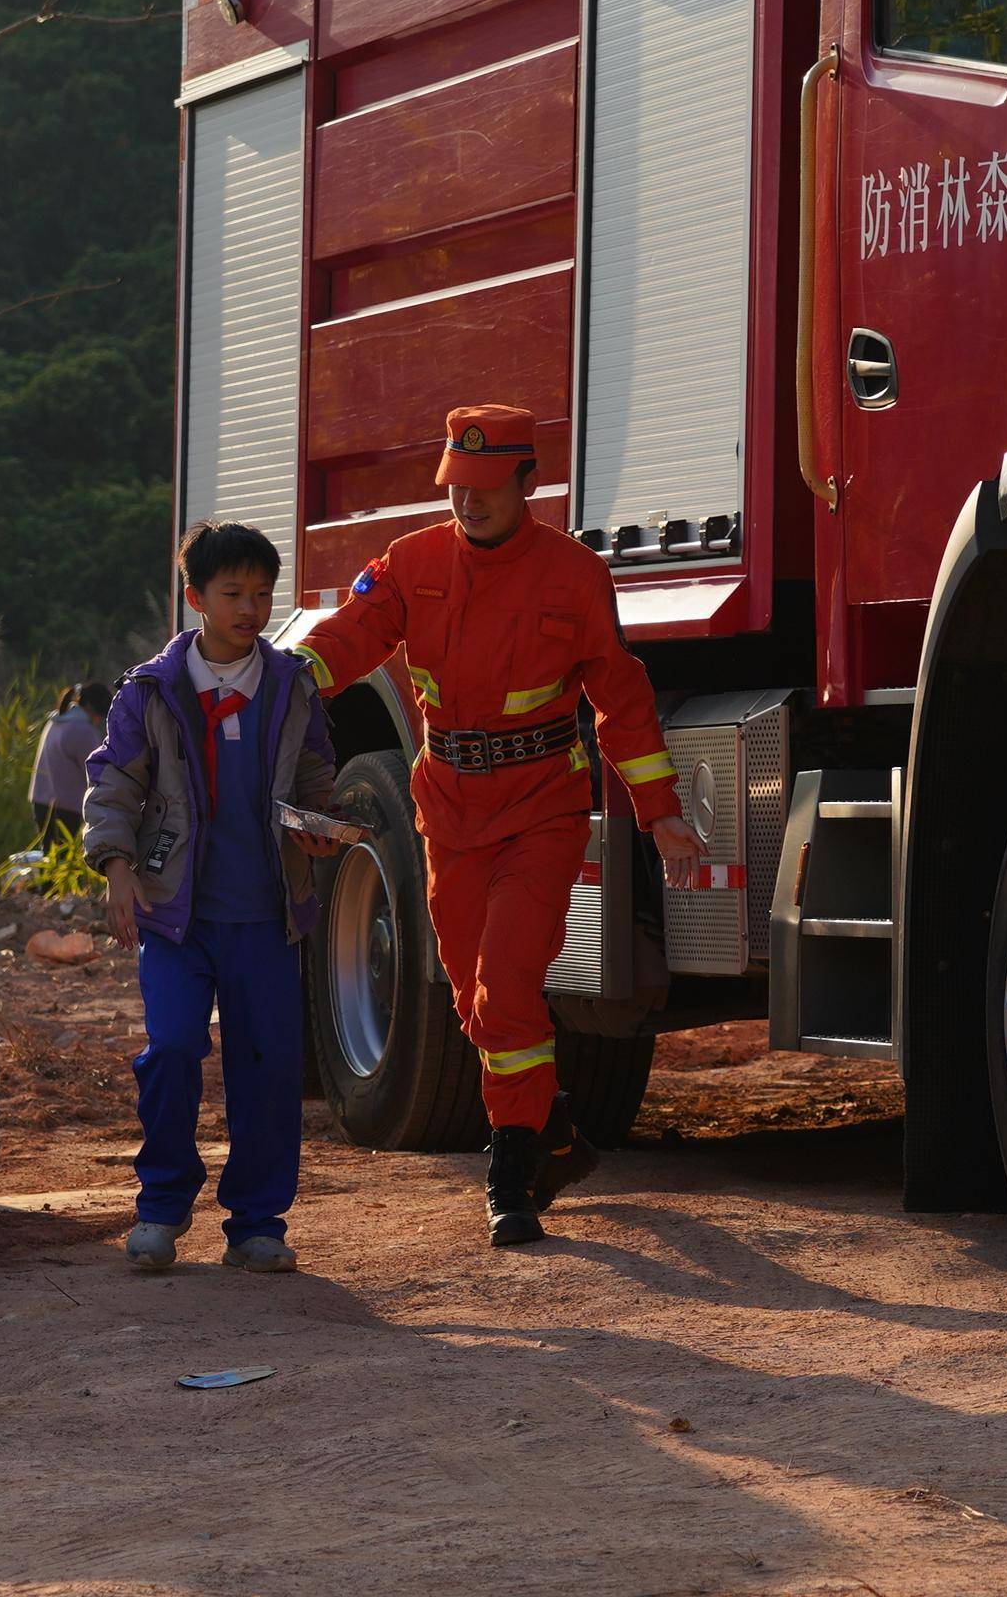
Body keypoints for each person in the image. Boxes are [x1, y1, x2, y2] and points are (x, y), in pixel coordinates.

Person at [296, 403, 708, 1247]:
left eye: (487, 486)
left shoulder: (574, 575)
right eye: (458, 485)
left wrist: (660, 812)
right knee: (473, 998)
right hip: (448, 809)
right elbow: (346, 639)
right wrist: (276, 679)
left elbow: (621, 700)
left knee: (509, 986)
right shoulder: (410, 564)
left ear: (529, 481)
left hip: (541, 810)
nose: (469, 501)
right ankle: (553, 1133)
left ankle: (512, 1171)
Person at [82, 523, 342, 1275]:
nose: (251, 609)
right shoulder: (151, 691)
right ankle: (161, 1209)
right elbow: (114, 783)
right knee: (170, 1050)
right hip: (176, 916)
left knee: (268, 1066)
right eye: (233, 594)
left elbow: (316, 775)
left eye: (263, 594)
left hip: (266, 916)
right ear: (195, 597)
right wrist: (116, 866)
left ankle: (257, 1223)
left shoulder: (291, 686)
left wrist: (321, 826)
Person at [25, 679, 103, 841]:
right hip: (67, 808)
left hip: (40, 801)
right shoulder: (84, 731)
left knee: (49, 853)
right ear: (92, 709)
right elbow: (98, 772)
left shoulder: (56, 721)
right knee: (65, 854)